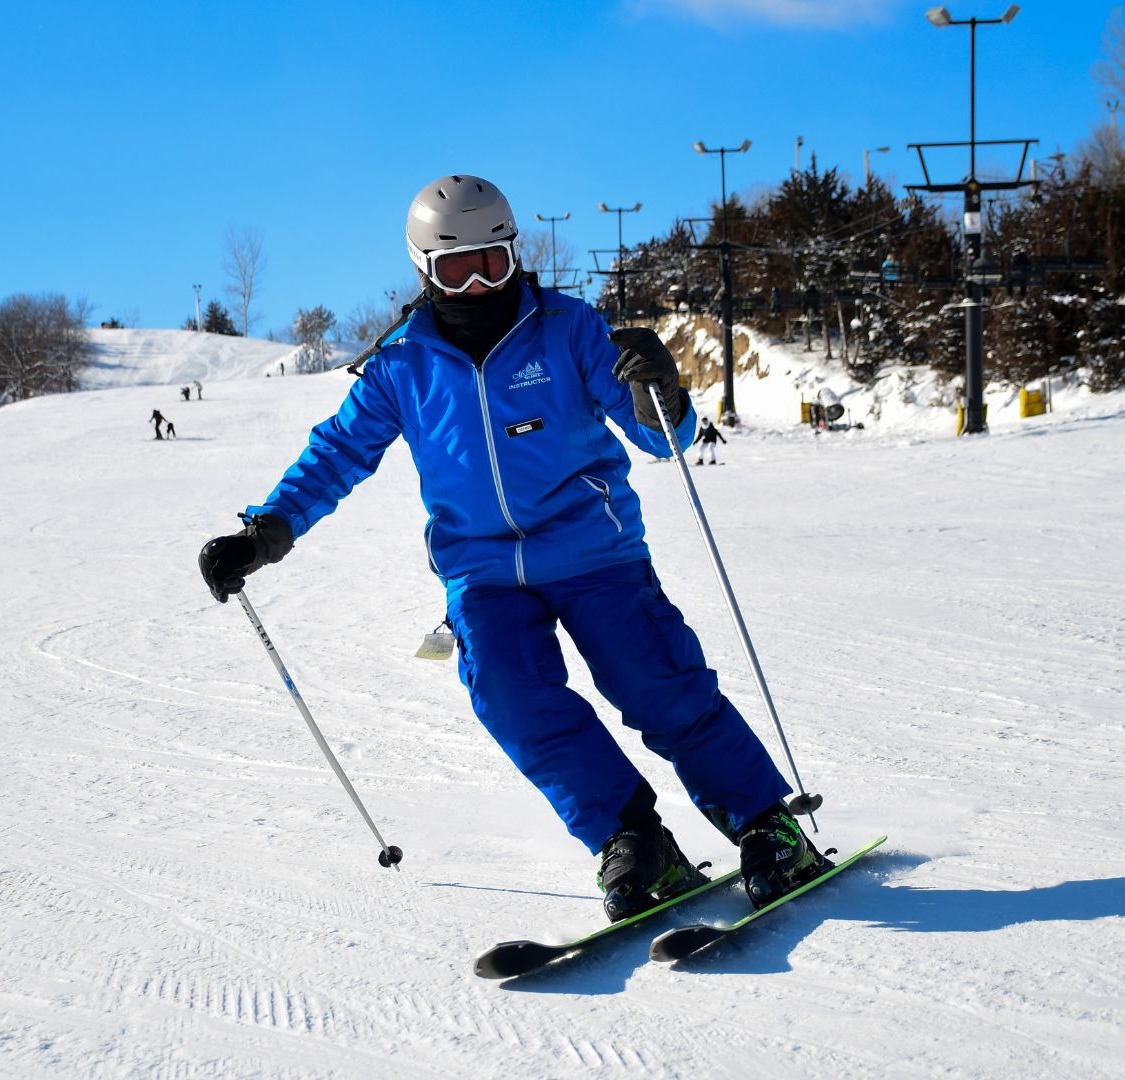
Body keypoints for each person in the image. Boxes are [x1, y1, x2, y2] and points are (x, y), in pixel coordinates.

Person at [198, 174, 828, 919]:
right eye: (457, 270)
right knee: (510, 696)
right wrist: (267, 532)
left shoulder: (569, 328)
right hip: (483, 572)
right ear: (425, 270)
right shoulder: (401, 363)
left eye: (491, 263)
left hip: (595, 553)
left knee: (657, 683)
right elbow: (338, 453)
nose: (478, 284)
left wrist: (661, 391)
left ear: (513, 253)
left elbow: (668, 440)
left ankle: (767, 825)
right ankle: (632, 839)